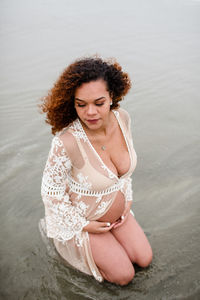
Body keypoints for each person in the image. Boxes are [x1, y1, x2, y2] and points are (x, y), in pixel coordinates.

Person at [39, 56, 152, 286]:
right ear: (73, 103)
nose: (90, 112)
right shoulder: (67, 142)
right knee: (124, 276)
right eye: (81, 104)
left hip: (119, 215)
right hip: (86, 221)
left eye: (99, 103)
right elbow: (51, 193)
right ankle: (70, 244)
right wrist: (82, 225)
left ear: (112, 97)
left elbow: (124, 171)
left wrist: (127, 197)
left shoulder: (122, 118)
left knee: (144, 259)